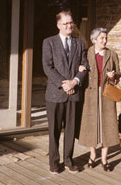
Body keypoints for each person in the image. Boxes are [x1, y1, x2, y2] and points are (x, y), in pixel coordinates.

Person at [42, 10, 88, 174]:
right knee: (54, 131)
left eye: (71, 22)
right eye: (65, 23)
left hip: (74, 93)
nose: (69, 25)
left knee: (70, 129)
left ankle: (68, 160)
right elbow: (48, 67)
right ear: (58, 25)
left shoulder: (80, 44)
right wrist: (65, 84)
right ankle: (54, 162)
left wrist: (75, 81)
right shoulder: (49, 42)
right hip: (55, 94)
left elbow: (84, 66)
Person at [79, 28, 121, 172]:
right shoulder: (86, 53)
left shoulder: (112, 54)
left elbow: (118, 75)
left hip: (106, 94)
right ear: (94, 39)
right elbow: (80, 70)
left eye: (105, 38)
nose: (105, 40)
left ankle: (104, 158)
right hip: (90, 94)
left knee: (108, 126)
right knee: (91, 125)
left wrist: (112, 76)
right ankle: (92, 155)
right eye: (102, 38)